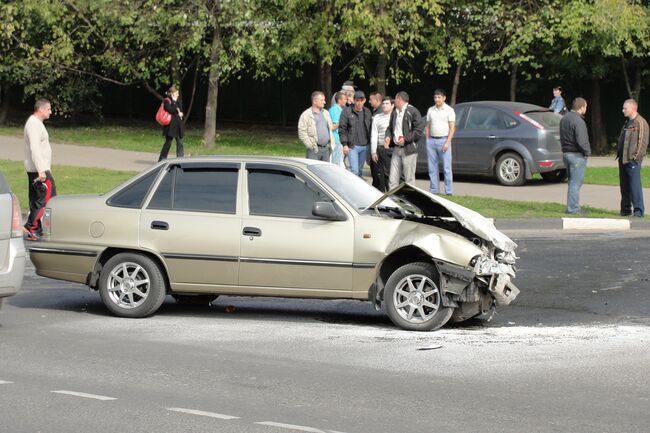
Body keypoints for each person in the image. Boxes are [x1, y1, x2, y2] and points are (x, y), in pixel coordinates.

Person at [23, 98, 56, 241]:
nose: (51, 112)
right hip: (39, 170)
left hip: (39, 168)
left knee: (38, 200)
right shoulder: (33, 125)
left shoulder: (36, 124)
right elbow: (35, 148)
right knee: (47, 200)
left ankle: (36, 229)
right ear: (41, 109)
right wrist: (42, 170)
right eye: (49, 109)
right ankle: (31, 227)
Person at [384, 91, 425, 189]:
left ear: (399, 99)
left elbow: (419, 131)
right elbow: (390, 128)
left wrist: (405, 139)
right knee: (393, 178)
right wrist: (388, 137)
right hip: (396, 149)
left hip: (409, 149)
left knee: (409, 178)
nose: (394, 102)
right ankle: (392, 199)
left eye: (395, 99)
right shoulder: (395, 112)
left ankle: (410, 202)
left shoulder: (413, 111)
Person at [559, 97, 591, 215]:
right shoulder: (578, 121)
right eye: (586, 107)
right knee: (575, 183)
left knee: (571, 182)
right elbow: (581, 140)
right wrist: (587, 152)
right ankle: (573, 208)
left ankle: (571, 206)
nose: (586, 109)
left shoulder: (564, 119)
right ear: (581, 107)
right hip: (576, 155)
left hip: (566, 153)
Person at [617, 99, 649, 217]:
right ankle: (625, 210)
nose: (623, 110)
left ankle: (638, 211)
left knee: (634, 185)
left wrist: (636, 158)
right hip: (623, 159)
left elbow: (643, 142)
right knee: (624, 186)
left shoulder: (640, 122)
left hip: (632, 160)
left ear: (633, 108)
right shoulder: (627, 123)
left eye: (625, 108)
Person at [425, 89, 456, 195]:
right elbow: (428, 125)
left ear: (444, 98)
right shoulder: (431, 110)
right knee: (432, 167)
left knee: (447, 168)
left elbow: (452, 127)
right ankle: (434, 190)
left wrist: (447, 142)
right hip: (432, 141)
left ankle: (449, 191)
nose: (437, 99)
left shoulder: (449, 110)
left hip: (444, 140)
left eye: (439, 97)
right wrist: (427, 139)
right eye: (435, 97)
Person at [339, 90, 372, 177]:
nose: (359, 103)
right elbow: (342, 129)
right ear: (354, 100)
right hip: (352, 146)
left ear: (364, 100)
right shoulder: (346, 111)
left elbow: (371, 128)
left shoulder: (367, 112)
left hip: (365, 146)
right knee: (355, 171)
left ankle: (358, 189)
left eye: (361, 100)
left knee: (360, 171)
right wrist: (344, 144)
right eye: (357, 100)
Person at [298, 91, 335, 161]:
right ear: (315, 101)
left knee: (325, 171)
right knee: (313, 170)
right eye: (322, 100)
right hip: (314, 150)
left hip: (326, 149)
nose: (324, 102)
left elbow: (330, 129)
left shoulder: (326, 113)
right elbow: (302, 132)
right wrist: (310, 145)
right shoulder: (306, 115)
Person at [370, 96, 394, 191]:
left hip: (392, 149)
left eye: (387, 103)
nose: (384, 105)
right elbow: (374, 135)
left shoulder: (396, 116)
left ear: (392, 105)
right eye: (383, 103)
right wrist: (373, 152)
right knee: (379, 175)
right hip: (380, 148)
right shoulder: (377, 117)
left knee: (391, 175)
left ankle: (392, 194)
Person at [158, 86, 185, 161]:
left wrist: (181, 114)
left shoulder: (179, 101)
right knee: (168, 143)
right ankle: (162, 159)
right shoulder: (167, 101)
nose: (178, 94)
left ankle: (180, 159)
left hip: (178, 125)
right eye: (177, 93)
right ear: (172, 93)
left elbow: (181, 110)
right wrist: (174, 102)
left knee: (180, 143)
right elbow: (171, 110)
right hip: (170, 126)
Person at [368, 91, 383, 188]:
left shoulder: (380, 113)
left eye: (371, 99)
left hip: (378, 146)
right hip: (375, 146)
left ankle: (377, 190)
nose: (369, 101)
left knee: (377, 171)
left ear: (377, 100)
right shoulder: (375, 111)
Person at [329, 91, 346, 166]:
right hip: (336, 139)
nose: (346, 101)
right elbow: (333, 126)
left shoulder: (337, 109)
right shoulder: (336, 110)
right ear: (339, 100)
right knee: (336, 161)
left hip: (337, 138)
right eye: (344, 99)